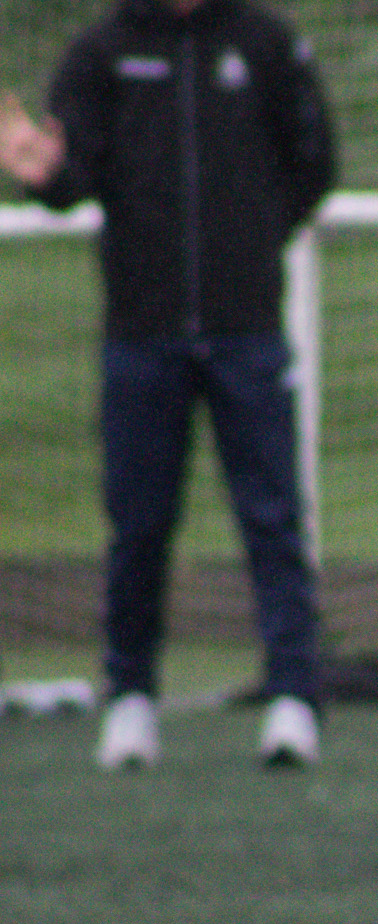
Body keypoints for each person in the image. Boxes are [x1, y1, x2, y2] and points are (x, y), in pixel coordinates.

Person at [0, 0, 337, 769]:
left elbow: (314, 162)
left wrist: (250, 246)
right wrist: (42, 172)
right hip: (140, 335)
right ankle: (130, 698)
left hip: (247, 331)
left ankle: (292, 694)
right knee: (138, 525)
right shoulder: (100, 51)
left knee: (273, 516)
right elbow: (74, 176)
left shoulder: (265, 42)